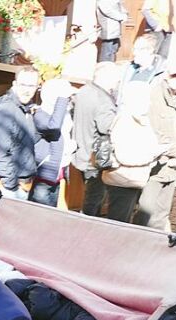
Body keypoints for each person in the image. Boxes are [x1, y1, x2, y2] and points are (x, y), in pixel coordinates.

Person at [132, 60, 176, 231]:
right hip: (158, 163)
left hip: (174, 165)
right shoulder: (154, 96)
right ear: (167, 75)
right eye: (175, 75)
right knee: (145, 210)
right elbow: (155, 131)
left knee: (162, 212)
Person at [103, 82, 165, 223]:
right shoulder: (126, 120)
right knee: (117, 225)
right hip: (122, 181)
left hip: (129, 180)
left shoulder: (139, 120)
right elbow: (126, 155)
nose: (149, 103)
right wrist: (153, 154)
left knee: (121, 222)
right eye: (146, 99)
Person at [71, 62, 120, 217]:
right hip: (94, 158)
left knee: (88, 196)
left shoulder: (83, 91)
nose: (116, 82)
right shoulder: (103, 100)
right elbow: (106, 127)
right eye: (115, 78)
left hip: (81, 151)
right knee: (93, 199)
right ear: (105, 77)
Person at [0, 67, 41, 200]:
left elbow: (30, 140)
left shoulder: (26, 109)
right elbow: (0, 154)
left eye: (31, 85)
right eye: (23, 84)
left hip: (23, 184)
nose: (27, 90)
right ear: (15, 84)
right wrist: (12, 186)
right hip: (10, 188)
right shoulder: (5, 111)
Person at [30, 78, 76, 208]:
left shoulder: (65, 113)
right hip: (44, 174)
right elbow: (54, 127)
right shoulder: (40, 114)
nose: (68, 99)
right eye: (65, 97)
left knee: (51, 213)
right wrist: (61, 98)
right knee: (39, 213)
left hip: (57, 173)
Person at [118, 34, 163, 98]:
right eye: (134, 49)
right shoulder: (128, 68)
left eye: (139, 49)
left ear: (150, 50)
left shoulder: (160, 72)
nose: (134, 53)